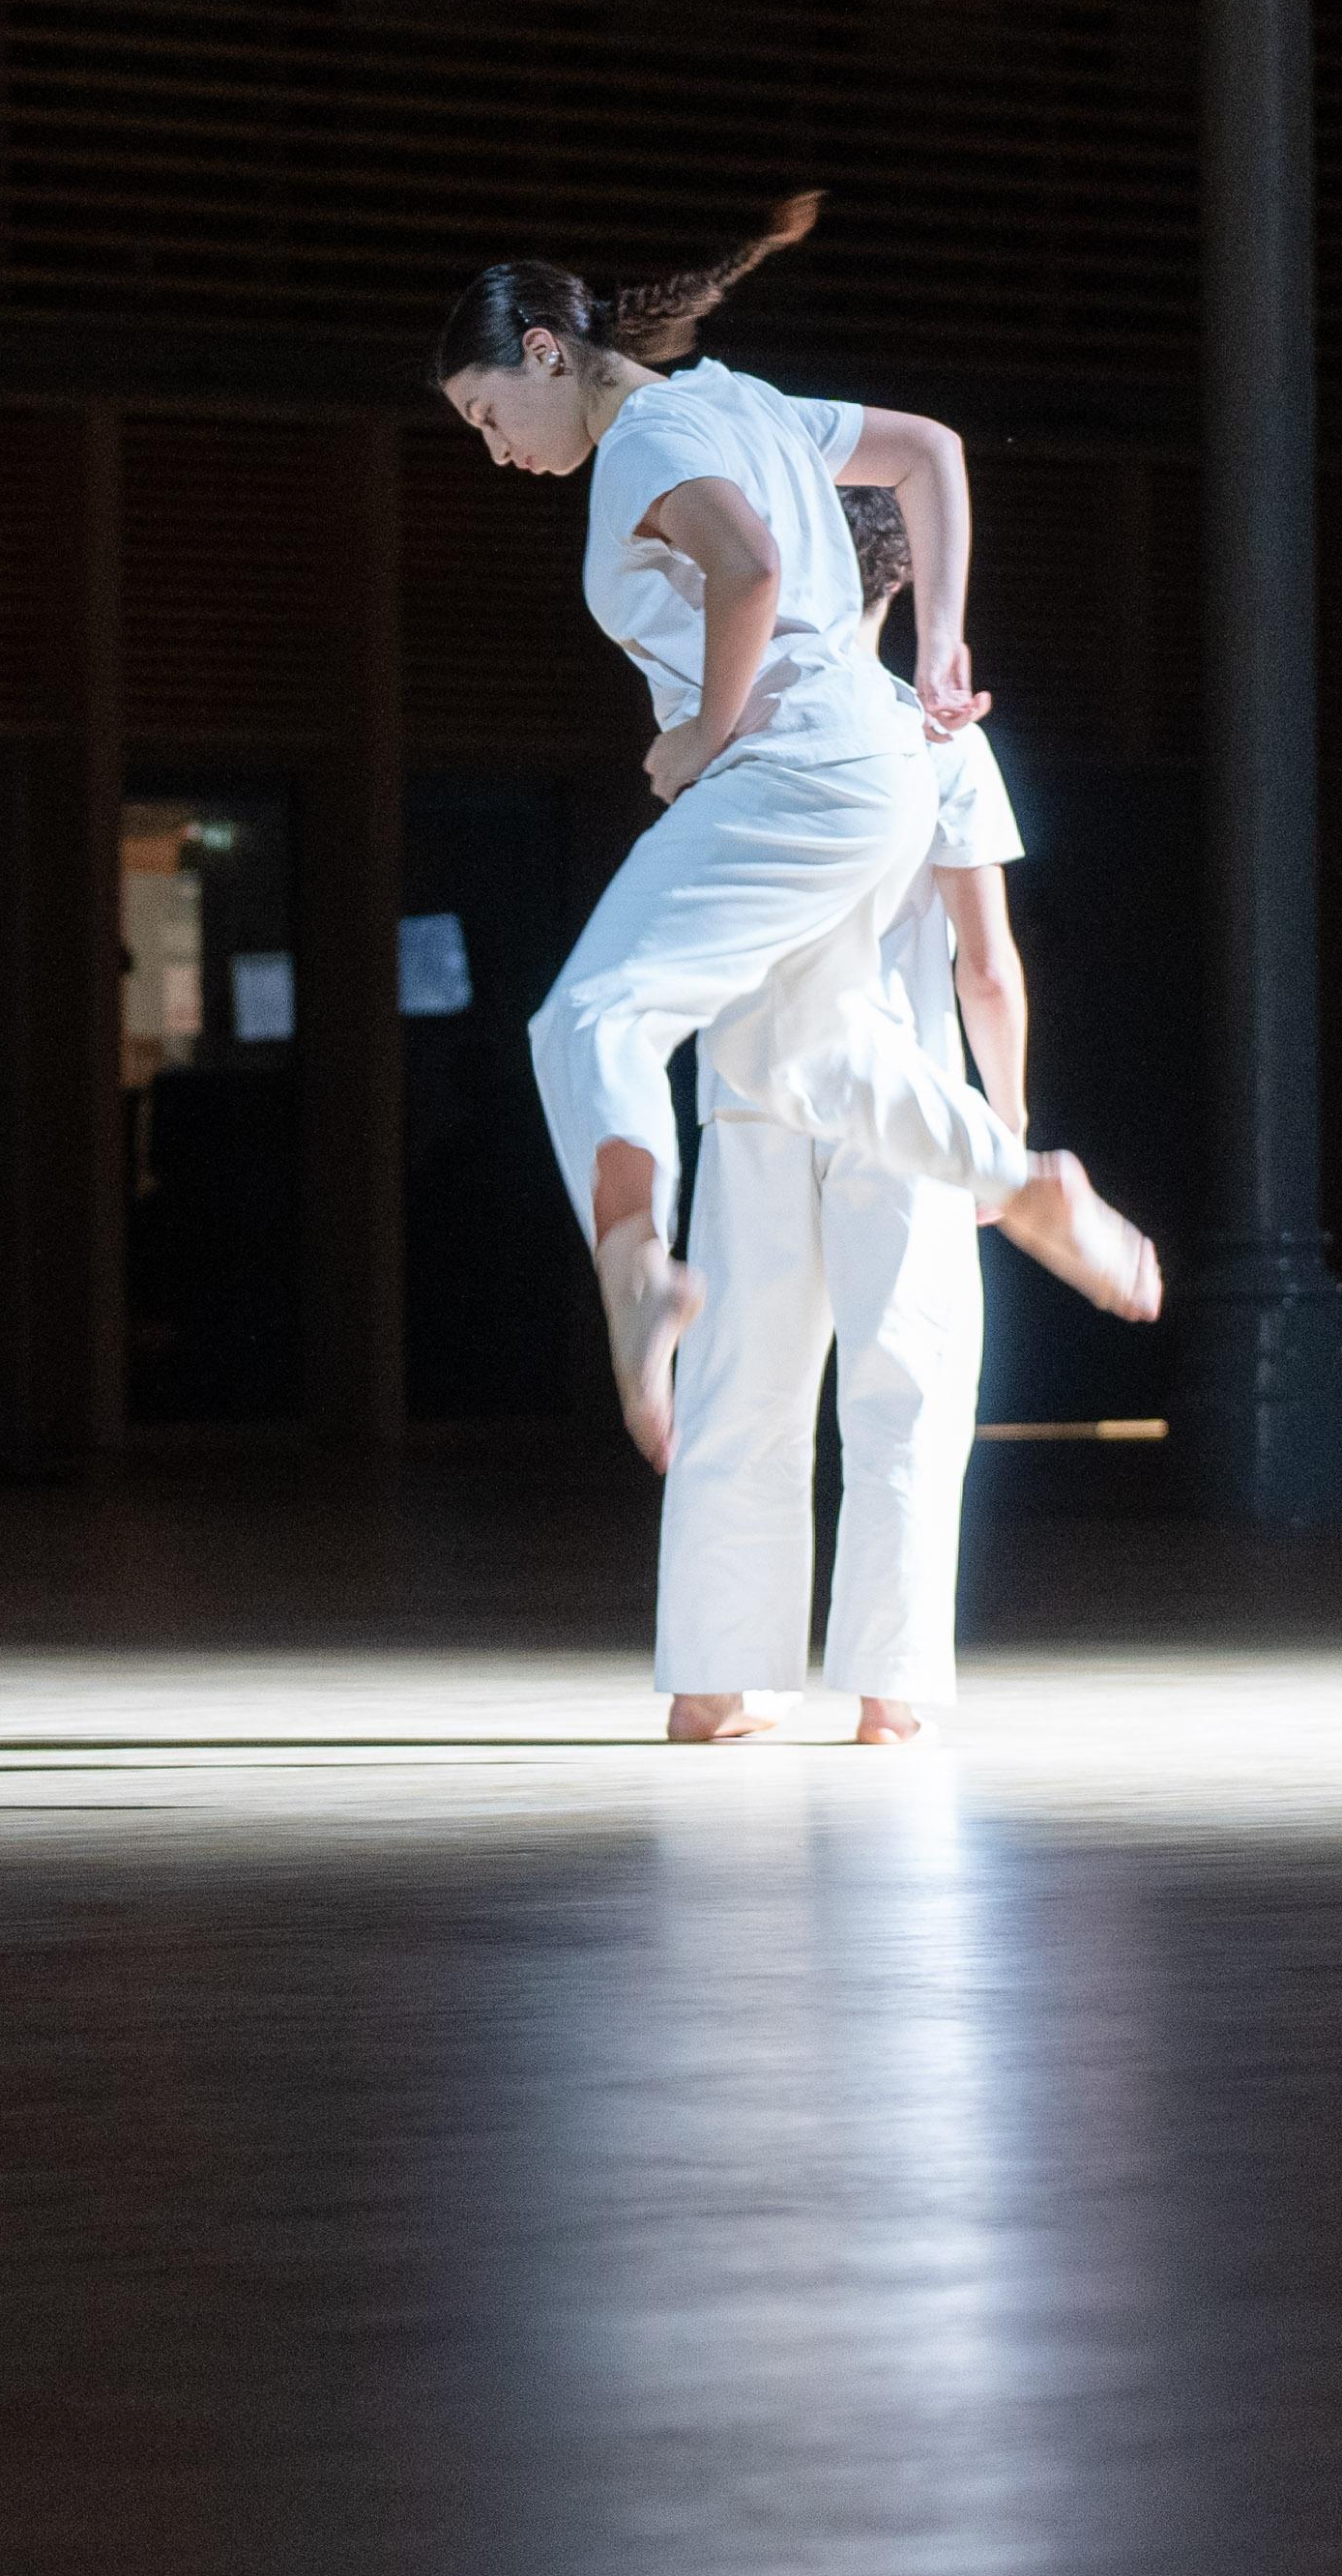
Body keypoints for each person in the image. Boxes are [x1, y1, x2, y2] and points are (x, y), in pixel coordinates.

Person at [430, 198, 1155, 1472]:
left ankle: (639, 1271)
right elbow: (929, 452)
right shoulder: (743, 401)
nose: (497, 453)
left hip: (790, 774)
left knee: (590, 1016)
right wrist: (936, 650)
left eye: (489, 415)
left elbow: (754, 567)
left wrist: (707, 734)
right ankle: (1024, 1182)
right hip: (878, 769)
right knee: (811, 1054)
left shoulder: (649, 437)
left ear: (545, 350)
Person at [657, 491, 1032, 1747]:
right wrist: (1009, 1127)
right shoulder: (936, 737)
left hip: (756, 1083)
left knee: (741, 1377)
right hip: (902, 1090)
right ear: (903, 580)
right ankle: (889, 1690)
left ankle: (712, 1682)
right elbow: (986, 965)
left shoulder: (733, 726)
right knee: (907, 1379)